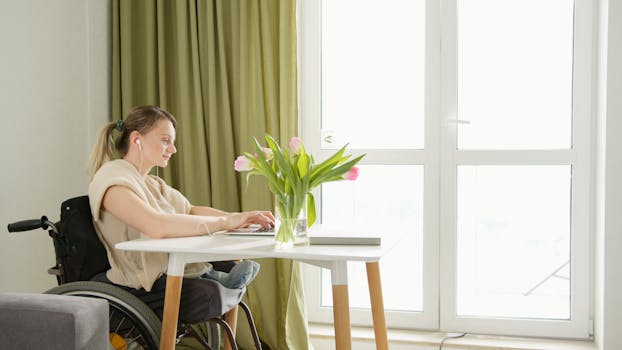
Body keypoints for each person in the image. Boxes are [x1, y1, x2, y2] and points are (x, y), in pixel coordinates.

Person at [87, 105, 274, 322]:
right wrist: (226, 222)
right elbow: (155, 225)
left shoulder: (151, 183)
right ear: (137, 139)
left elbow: (190, 210)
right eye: (166, 140)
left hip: (166, 269)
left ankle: (220, 279)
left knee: (228, 268)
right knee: (209, 293)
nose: (173, 149)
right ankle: (219, 281)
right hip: (138, 280)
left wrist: (243, 219)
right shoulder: (111, 178)